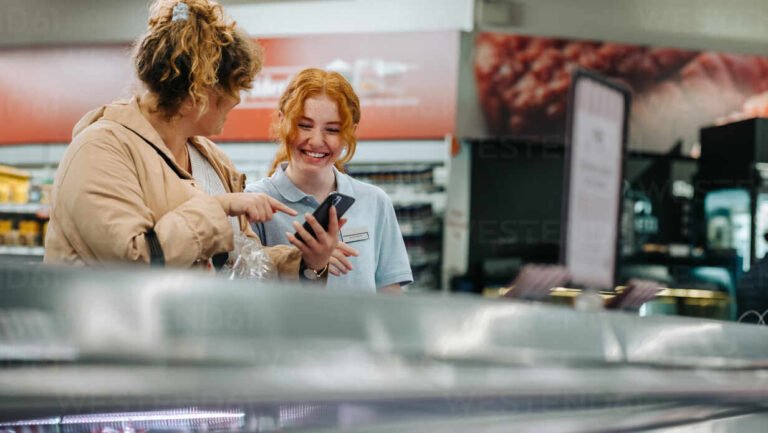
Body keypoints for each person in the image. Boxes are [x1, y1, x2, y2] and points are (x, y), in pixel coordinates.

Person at [44, 0, 339, 281]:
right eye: (233, 87)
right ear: (197, 93)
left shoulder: (210, 158)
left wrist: (305, 264)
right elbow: (133, 262)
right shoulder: (100, 150)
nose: (238, 99)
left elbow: (240, 264)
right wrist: (219, 207)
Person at [246, 68, 413, 293]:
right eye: (304, 125)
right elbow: (243, 293)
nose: (316, 141)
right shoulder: (255, 204)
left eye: (332, 130)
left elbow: (390, 298)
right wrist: (308, 265)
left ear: (350, 133)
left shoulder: (375, 202)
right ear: (282, 120)